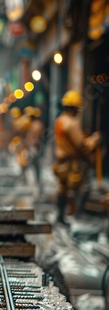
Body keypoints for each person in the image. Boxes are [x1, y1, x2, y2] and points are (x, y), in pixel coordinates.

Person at [53, 90, 100, 225]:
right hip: (71, 163)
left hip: (61, 162)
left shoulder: (60, 121)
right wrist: (94, 140)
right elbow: (82, 146)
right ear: (73, 107)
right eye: (77, 108)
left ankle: (60, 216)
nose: (78, 111)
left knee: (62, 189)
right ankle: (78, 216)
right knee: (85, 187)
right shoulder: (72, 123)